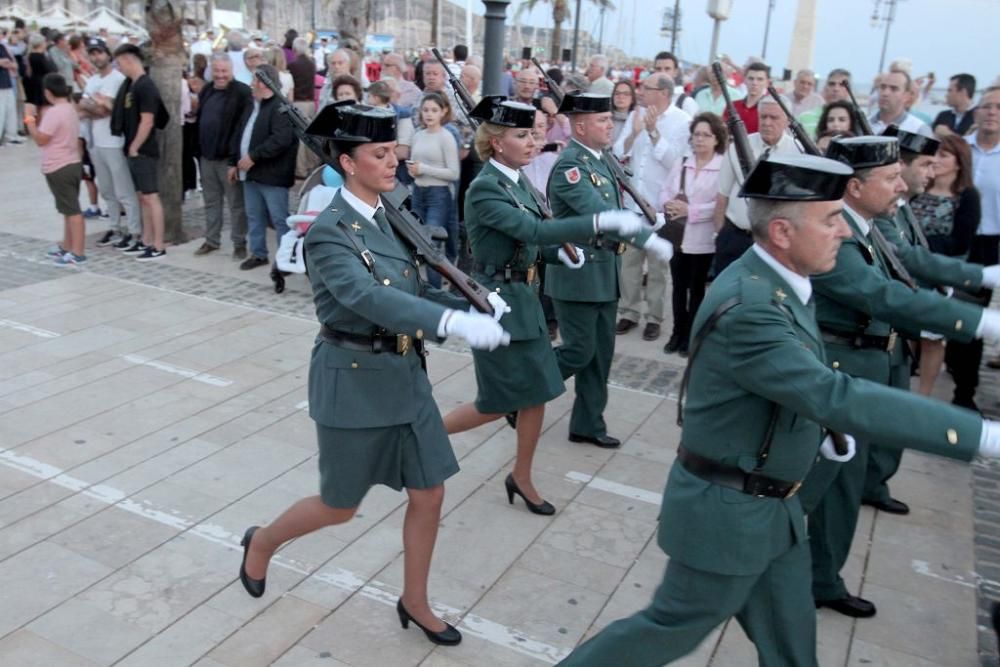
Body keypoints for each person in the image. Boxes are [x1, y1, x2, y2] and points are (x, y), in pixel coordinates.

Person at [555, 151, 1000, 667]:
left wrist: (819, 428)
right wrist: (979, 436)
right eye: (831, 220)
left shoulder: (782, 283)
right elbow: (836, 392)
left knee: (791, 649)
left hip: (773, 510)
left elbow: (797, 382)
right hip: (730, 516)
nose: (844, 232)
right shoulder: (754, 303)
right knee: (668, 629)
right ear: (784, 233)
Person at [237, 101, 509, 649]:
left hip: (406, 376)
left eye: (394, 152)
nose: (393, 162)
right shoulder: (328, 232)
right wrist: (448, 319)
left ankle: (415, 600)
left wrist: (471, 299)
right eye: (379, 154)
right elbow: (365, 297)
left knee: (429, 493)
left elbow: (412, 288)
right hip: (353, 381)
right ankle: (262, 542)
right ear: (346, 162)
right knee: (340, 507)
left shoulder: (392, 214)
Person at [800, 135, 1000, 620]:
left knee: (843, 488)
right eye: (889, 177)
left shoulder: (866, 225)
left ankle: (821, 577)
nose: (902, 184)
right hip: (841, 362)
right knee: (816, 485)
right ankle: (761, 568)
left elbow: (911, 264)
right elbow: (878, 294)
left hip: (869, 356)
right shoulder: (838, 233)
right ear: (854, 186)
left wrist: (983, 277)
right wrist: (976, 322)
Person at [441, 97, 648, 514]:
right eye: (523, 135)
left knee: (537, 394)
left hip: (526, 299)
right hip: (496, 303)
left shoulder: (517, 181)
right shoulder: (485, 188)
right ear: (497, 143)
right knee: (496, 403)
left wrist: (562, 255)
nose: (534, 141)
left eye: (534, 134)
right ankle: (418, 432)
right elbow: (531, 228)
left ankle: (522, 475)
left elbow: (533, 242)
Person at [545, 92, 673, 449]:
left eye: (608, 120)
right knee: (578, 352)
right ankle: (522, 393)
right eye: (602, 121)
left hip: (605, 272)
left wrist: (651, 217)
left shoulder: (602, 161)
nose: (609, 126)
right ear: (581, 126)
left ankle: (587, 423)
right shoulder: (572, 167)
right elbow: (600, 213)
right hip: (578, 272)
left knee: (599, 358)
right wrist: (646, 232)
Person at [613, 73, 691, 342]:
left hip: (660, 207)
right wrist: (635, 133)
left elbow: (677, 164)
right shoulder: (637, 114)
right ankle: (629, 312)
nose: (642, 92)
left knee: (658, 268)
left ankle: (654, 318)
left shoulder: (682, 122)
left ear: (664, 93)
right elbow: (617, 152)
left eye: (647, 88)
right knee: (629, 264)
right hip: (633, 203)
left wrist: (654, 134)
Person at [658, 112, 727, 355]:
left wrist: (692, 210)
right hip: (677, 236)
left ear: (716, 139)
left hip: (703, 239)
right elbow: (665, 190)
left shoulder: (721, 167)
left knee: (696, 289)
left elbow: (719, 204)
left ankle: (691, 335)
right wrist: (669, 204)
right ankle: (677, 331)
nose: (700, 140)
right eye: (696, 135)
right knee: (677, 287)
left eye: (706, 135)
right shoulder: (682, 162)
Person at [713, 94, 798, 276]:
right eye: (763, 117)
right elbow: (722, 195)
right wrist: (720, 235)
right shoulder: (739, 146)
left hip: (774, 243)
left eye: (773, 117)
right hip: (735, 237)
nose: (767, 122)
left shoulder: (798, 152)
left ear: (787, 121)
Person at [229, 63, 297, 271]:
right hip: (250, 173)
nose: (251, 84)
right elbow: (239, 133)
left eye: (254, 80)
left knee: (279, 218)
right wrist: (234, 162)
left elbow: (281, 139)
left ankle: (285, 260)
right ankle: (258, 254)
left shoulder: (281, 106)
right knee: (254, 215)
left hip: (273, 174)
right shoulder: (252, 105)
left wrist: (254, 156)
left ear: (263, 82)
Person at [957, 89, 1000, 385]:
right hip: (960, 241)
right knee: (960, 313)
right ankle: (960, 375)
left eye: (998, 107)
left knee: (980, 317)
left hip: (992, 242)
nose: (992, 112)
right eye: (987, 106)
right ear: (976, 113)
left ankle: (965, 386)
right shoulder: (962, 149)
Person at [80, 42, 140, 251]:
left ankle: (134, 230)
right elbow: (83, 108)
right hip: (95, 141)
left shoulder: (118, 80)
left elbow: (110, 111)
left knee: (124, 189)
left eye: (99, 53)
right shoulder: (92, 81)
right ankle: (114, 227)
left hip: (114, 142)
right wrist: (96, 105)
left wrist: (97, 106)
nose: (96, 58)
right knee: (106, 189)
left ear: (107, 55)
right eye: (92, 54)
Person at [193, 53, 252, 258]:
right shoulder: (207, 90)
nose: (220, 75)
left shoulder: (242, 92)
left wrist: (233, 161)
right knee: (211, 201)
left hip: (228, 160)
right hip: (206, 157)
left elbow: (242, 128)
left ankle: (239, 243)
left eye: (224, 71)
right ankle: (212, 240)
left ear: (231, 71)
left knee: (236, 205)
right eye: (216, 70)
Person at [112, 43, 166, 261]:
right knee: (142, 197)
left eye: (119, 63)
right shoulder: (131, 85)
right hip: (133, 149)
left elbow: (148, 121)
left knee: (151, 197)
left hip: (143, 150)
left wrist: (135, 146)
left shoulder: (145, 86)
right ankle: (146, 240)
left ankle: (159, 245)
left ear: (128, 60)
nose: (119, 68)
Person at [24, 73, 84, 265]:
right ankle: (67, 247)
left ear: (48, 92)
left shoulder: (55, 112)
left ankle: (78, 252)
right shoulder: (69, 108)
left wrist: (29, 120)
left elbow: (41, 139)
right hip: (71, 162)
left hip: (59, 165)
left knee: (72, 211)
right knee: (67, 209)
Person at [408, 92, 460, 286]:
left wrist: (424, 169)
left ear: (443, 112)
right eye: (426, 110)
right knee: (415, 240)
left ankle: (435, 290)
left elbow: (453, 173)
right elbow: (416, 163)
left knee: (432, 245)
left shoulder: (446, 137)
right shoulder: (418, 135)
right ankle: (417, 287)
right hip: (418, 192)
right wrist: (414, 170)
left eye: (434, 110)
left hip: (438, 194)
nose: (429, 114)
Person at [869, 70, 930, 134]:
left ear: (906, 96)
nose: (885, 93)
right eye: (882, 87)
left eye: (894, 89)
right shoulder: (862, 125)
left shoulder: (918, 129)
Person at [799, 68, 853, 139]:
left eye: (842, 85)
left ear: (849, 90)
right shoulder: (804, 118)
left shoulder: (857, 119)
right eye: (832, 84)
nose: (836, 89)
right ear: (825, 88)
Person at [652, 51, 699, 117]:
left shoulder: (686, 102)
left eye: (667, 69)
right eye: (658, 69)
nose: (662, 72)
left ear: (675, 72)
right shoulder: (649, 97)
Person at [727, 61, 769, 134]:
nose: (754, 83)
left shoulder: (769, 110)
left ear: (767, 82)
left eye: (760, 79)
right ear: (745, 80)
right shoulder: (732, 106)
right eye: (751, 78)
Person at [24, 34, 53, 111]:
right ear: (41, 44)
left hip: (34, 83)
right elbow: (49, 69)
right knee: (43, 108)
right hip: (41, 84)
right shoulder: (40, 57)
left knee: (37, 108)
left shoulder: (30, 55)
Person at [611, 79, 635, 144]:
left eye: (626, 94)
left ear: (632, 99)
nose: (621, 97)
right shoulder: (605, 118)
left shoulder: (635, 121)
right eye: (617, 93)